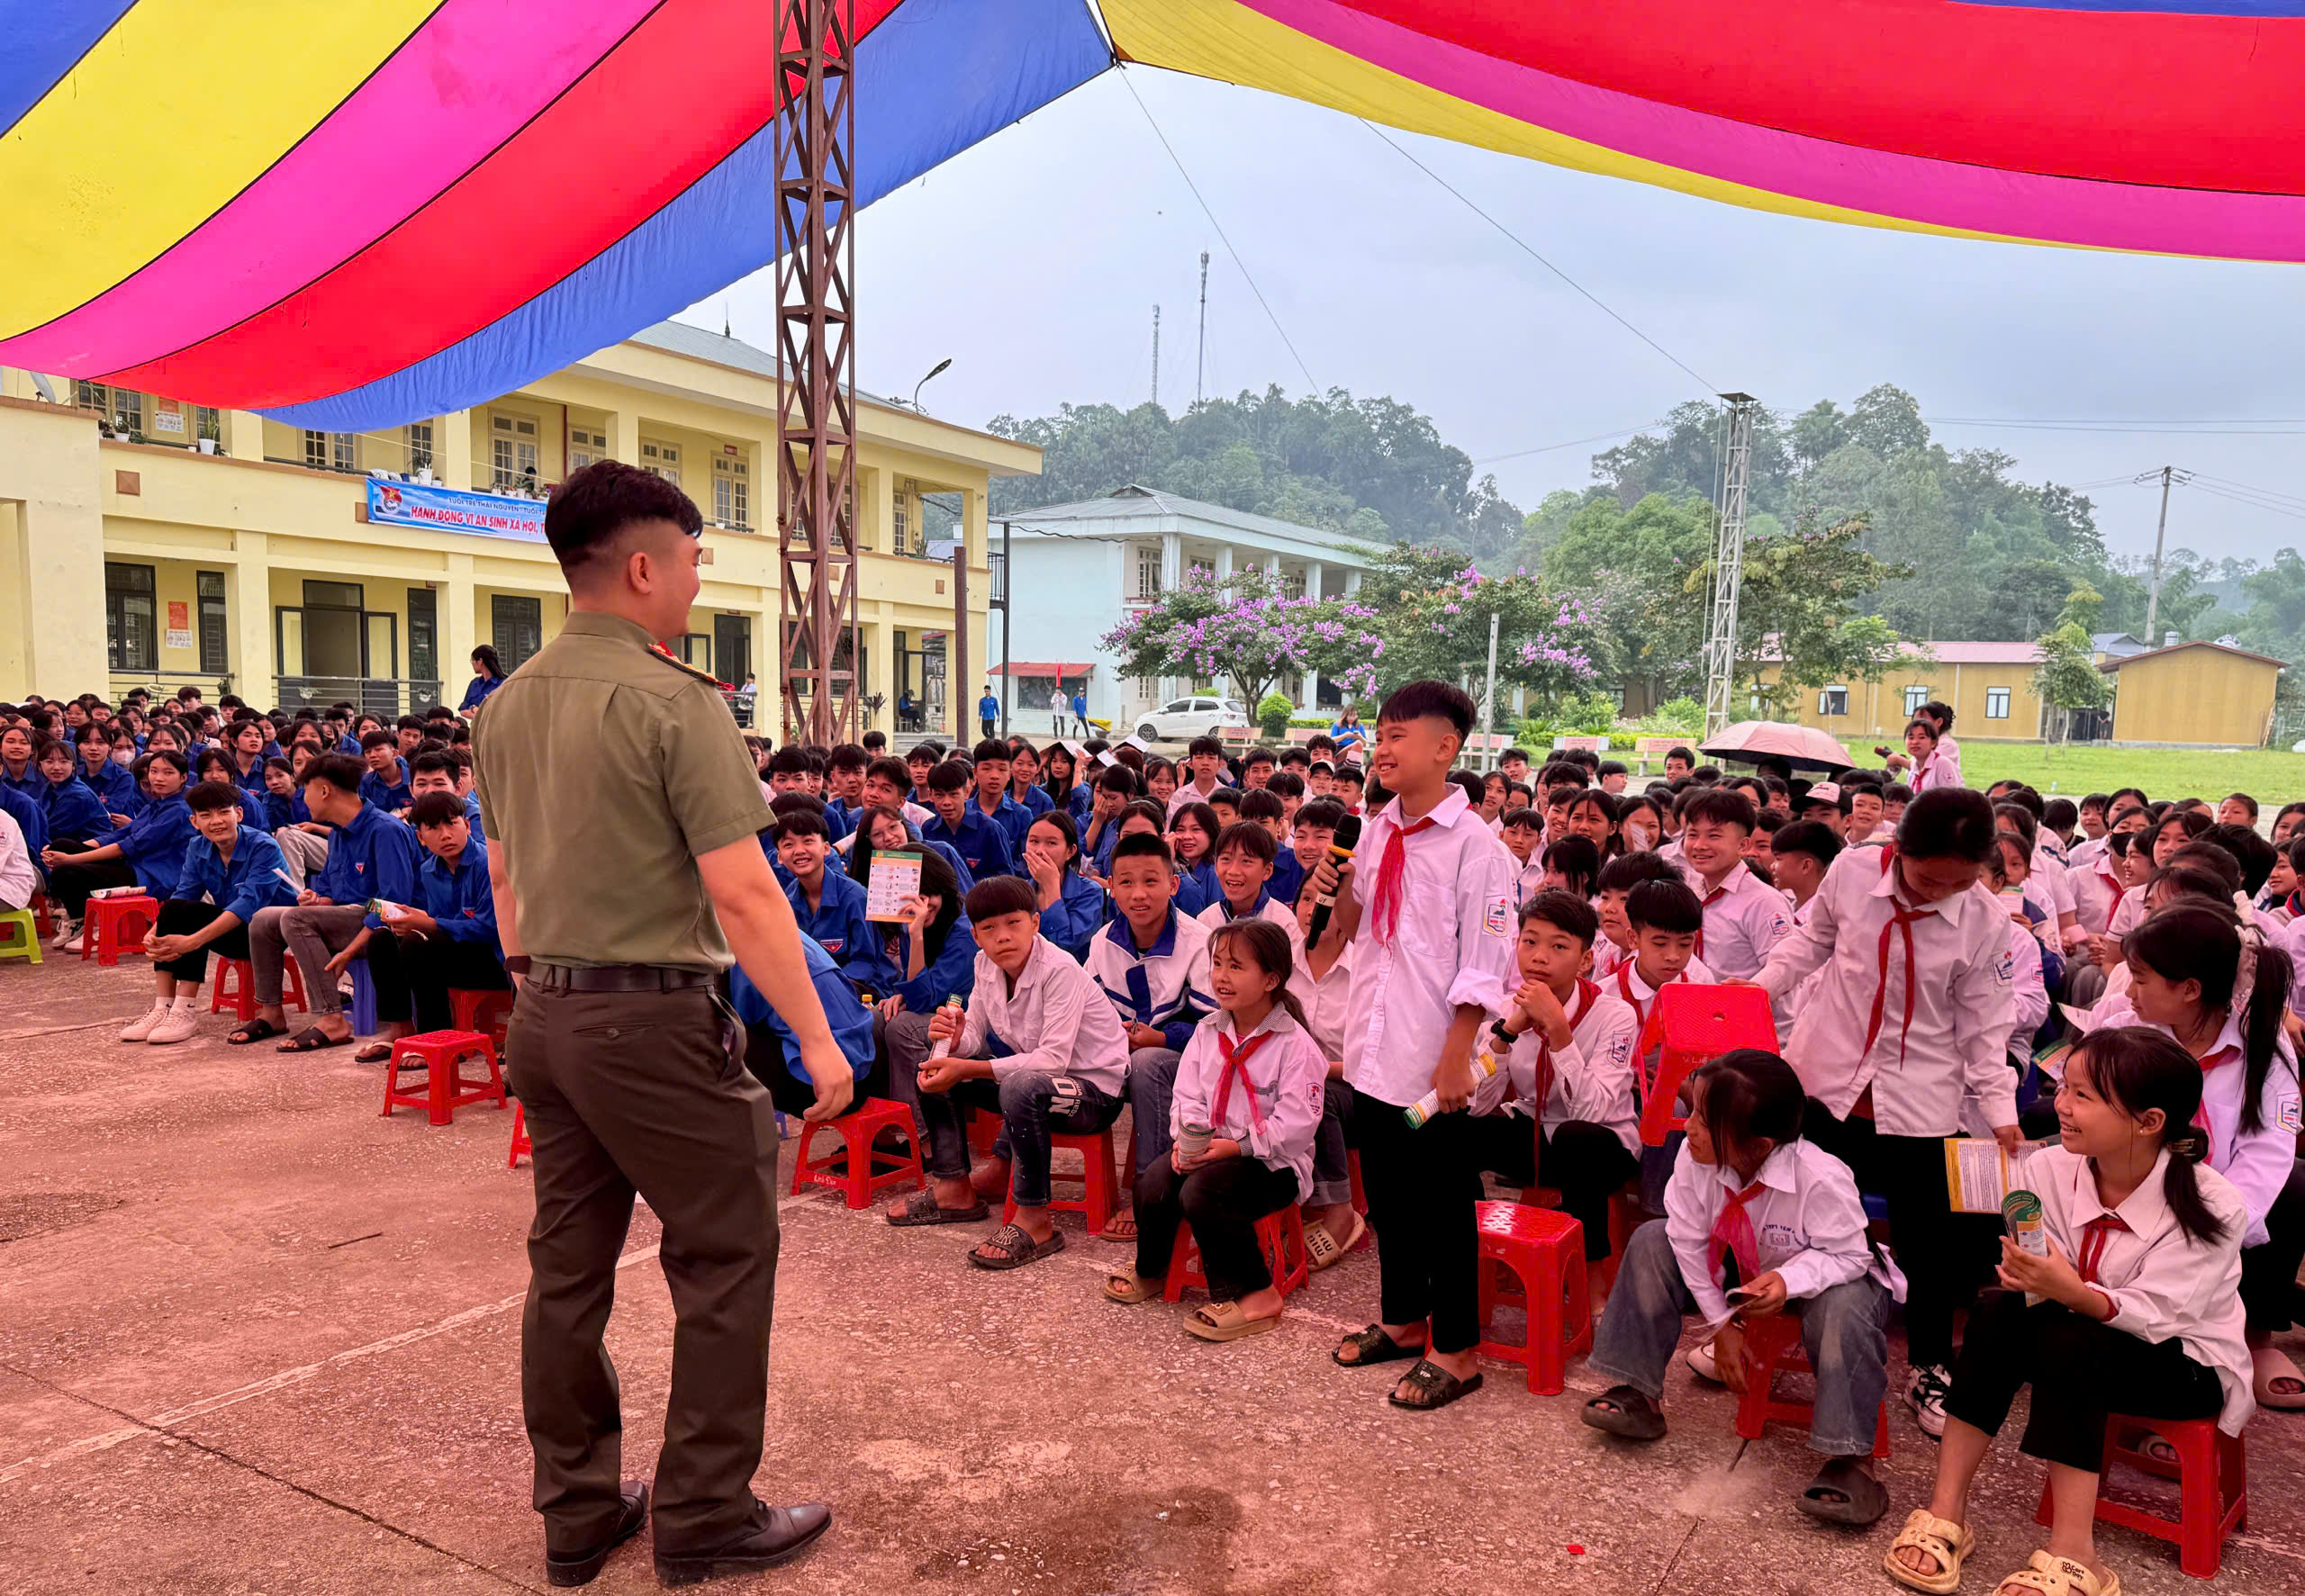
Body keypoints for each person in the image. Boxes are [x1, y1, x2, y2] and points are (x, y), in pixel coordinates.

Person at [473, 461, 850, 1584]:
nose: (694, 579)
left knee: (569, 1274)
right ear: (643, 567)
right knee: (727, 1254)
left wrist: (547, 988)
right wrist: (818, 1040)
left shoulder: (508, 702)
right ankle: (704, 1513)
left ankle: (579, 1511)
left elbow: (503, 881)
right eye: (690, 558)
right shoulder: (674, 700)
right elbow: (744, 892)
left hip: (546, 1012)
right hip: (649, 1025)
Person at [1882, 1028, 2251, 1596]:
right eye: (2064, 1087)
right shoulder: (2047, 1169)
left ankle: (2077, 1553)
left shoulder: (2214, 1205)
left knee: (2076, 1339)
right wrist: (2028, 1279)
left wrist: (2069, 1291)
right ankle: (1946, 1510)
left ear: (2149, 1122)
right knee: (2000, 1312)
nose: (2061, 1105)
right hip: (2074, 1337)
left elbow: (2159, 1317)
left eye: (2084, 1096)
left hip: (2183, 1367)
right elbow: (2037, 1278)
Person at [1749, 788, 2019, 1438]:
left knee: (1929, 1244)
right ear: (1899, 851)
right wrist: (1757, 990)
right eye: (1927, 878)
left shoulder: (1985, 922)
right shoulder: (1849, 871)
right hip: (1827, 1078)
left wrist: (2001, 1109)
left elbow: (1986, 1027)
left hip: (1921, 1099)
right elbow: (1810, 943)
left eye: (1958, 883)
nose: (1938, 894)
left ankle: (1929, 1365)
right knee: (1798, 1212)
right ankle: (1775, 1331)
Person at [1586, 1050, 1900, 1528]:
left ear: (1759, 1144)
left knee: (1843, 1308)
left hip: (1833, 1279)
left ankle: (1851, 1461)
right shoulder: (1696, 1162)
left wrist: (1789, 1279)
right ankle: (1637, 1392)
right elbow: (1688, 1243)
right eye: (1691, 1111)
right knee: (1653, 1238)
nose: (1688, 1128)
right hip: (1744, 1269)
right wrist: (1722, 1326)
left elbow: (1851, 1256)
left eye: (1704, 1122)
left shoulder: (1819, 1178)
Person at [1315, 681, 1516, 1412]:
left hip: (1436, 1065)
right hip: (1375, 1047)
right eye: (1380, 733)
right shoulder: (1375, 831)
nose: (1382, 747)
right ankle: (1403, 1321)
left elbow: (1485, 959)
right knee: (1393, 1200)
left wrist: (1458, 1052)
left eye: (1399, 734)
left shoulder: (1478, 850)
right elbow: (1357, 922)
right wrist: (1332, 884)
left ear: (1445, 746)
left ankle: (1457, 1348)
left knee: (1440, 1206)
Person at [2090, 902, 2305, 1410]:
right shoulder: (2127, 1029)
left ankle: (2256, 1335)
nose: (2128, 991)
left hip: (2220, 1204)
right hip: (2135, 1191)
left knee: (2295, 1185)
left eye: (2141, 980)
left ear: (2189, 989)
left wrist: (2217, 1226)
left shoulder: (2262, 1046)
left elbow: (2265, 1151)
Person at [886, 875, 1130, 1268]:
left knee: (1019, 1086)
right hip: (1037, 1085)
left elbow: (1052, 1060)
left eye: (1014, 923)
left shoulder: (1059, 970)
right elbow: (977, 1031)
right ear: (977, 937)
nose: (1003, 937)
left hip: (1093, 1095)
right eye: (989, 929)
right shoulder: (984, 964)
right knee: (933, 1070)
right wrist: (958, 1037)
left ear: (1035, 923)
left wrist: (967, 1066)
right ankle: (953, 1189)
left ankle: (1035, 1220)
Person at [1103, 918, 1329, 1340]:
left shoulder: (1296, 1046)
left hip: (1272, 1165)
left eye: (1236, 967)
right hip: (1211, 1153)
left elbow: (1297, 1126)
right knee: (1153, 1180)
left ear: (1271, 979)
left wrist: (1236, 1147)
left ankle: (1257, 1293)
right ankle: (1152, 1271)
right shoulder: (1208, 1031)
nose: (1222, 977)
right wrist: (1184, 1141)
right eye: (1217, 964)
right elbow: (1187, 1095)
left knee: (1202, 1191)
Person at [1467, 891, 1641, 1267]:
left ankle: (1589, 1279)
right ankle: (1467, 1251)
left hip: (1601, 1148)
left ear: (1586, 960)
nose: (1540, 957)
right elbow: (1478, 1104)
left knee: (1575, 1137)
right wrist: (1506, 1034)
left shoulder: (1615, 1015)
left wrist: (1560, 1031)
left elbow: (1592, 1112)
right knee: (1450, 1128)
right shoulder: (1505, 1008)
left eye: (1559, 946)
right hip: (1535, 1136)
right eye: (1530, 942)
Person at [230, 753, 422, 1054]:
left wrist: (348, 951)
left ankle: (331, 1018)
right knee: (264, 918)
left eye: (305, 790)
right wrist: (317, 900)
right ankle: (271, 1012)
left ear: (323, 790)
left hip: (387, 924)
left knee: (295, 920)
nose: (304, 800)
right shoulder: (338, 835)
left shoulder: (386, 830)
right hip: (348, 916)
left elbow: (393, 904)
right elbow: (334, 894)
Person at [1088, 834, 1216, 1218]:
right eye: (1125, 882)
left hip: (1187, 1065)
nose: (1138, 894)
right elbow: (1088, 1011)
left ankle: (1151, 1190)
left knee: (1149, 1065)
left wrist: (1159, 1037)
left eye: (1150, 881)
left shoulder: (1199, 942)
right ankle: (1017, 1178)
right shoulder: (1102, 942)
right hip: (1117, 1056)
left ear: (1173, 884)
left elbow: (1215, 1027)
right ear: (1110, 886)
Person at [116, 781, 294, 1046]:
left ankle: (184, 1010)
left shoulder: (263, 846)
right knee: (177, 908)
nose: (217, 821)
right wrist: (154, 932)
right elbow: (183, 893)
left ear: (239, 814)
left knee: (192, 917)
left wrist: (193, 941)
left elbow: (247, 904)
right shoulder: (197, 847)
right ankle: (163, 1006)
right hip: (232, 929)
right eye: (206, 815)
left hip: (269, 935)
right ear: (195, 821)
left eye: (224, 812)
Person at [42, 749, 195, 950]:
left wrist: (71, 859)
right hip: (132, 865)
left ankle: (97, 928)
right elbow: (119, 835)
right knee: (62, 844)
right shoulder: (156, 804)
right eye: (154, 771)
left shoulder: (179, 810)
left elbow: (127, 846)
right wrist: (65, 850)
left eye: (168, 773)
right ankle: (78, 919)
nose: (158, 778)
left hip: (151, 877)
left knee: (68, 870)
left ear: (183, 777)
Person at [1678, 789, 1791, 980]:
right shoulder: (1690, 893)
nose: (1699, 845)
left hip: (1744, 1007)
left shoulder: (1764, 902)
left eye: (1713, 836)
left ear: (1743, 846)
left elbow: (1784, 973)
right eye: (1693, 834)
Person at [773, 808, 887, 991]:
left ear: (826, 848)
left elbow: (865, 963)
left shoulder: (855, 897)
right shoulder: (788, 898)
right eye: (788, 845)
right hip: (811, 989)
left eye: (808, 841)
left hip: (860, 988)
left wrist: (826, 987)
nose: (799, 851)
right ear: (779, 857)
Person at [1019, 811, 1105, 962]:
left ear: (1070, 851)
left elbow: (1064, 947)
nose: (1040, 851)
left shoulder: (1090, 892)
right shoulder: (1019, 891)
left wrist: (1051, 885)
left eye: (1051, 843)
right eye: (1033, 841)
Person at [920, 759, 1014, 880]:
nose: (946, 802)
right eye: (939, 795)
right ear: (930, 795)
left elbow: (1006, 877)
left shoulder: (990, 829)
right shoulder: (928, 829)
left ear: (966, 792)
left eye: (953, 794)